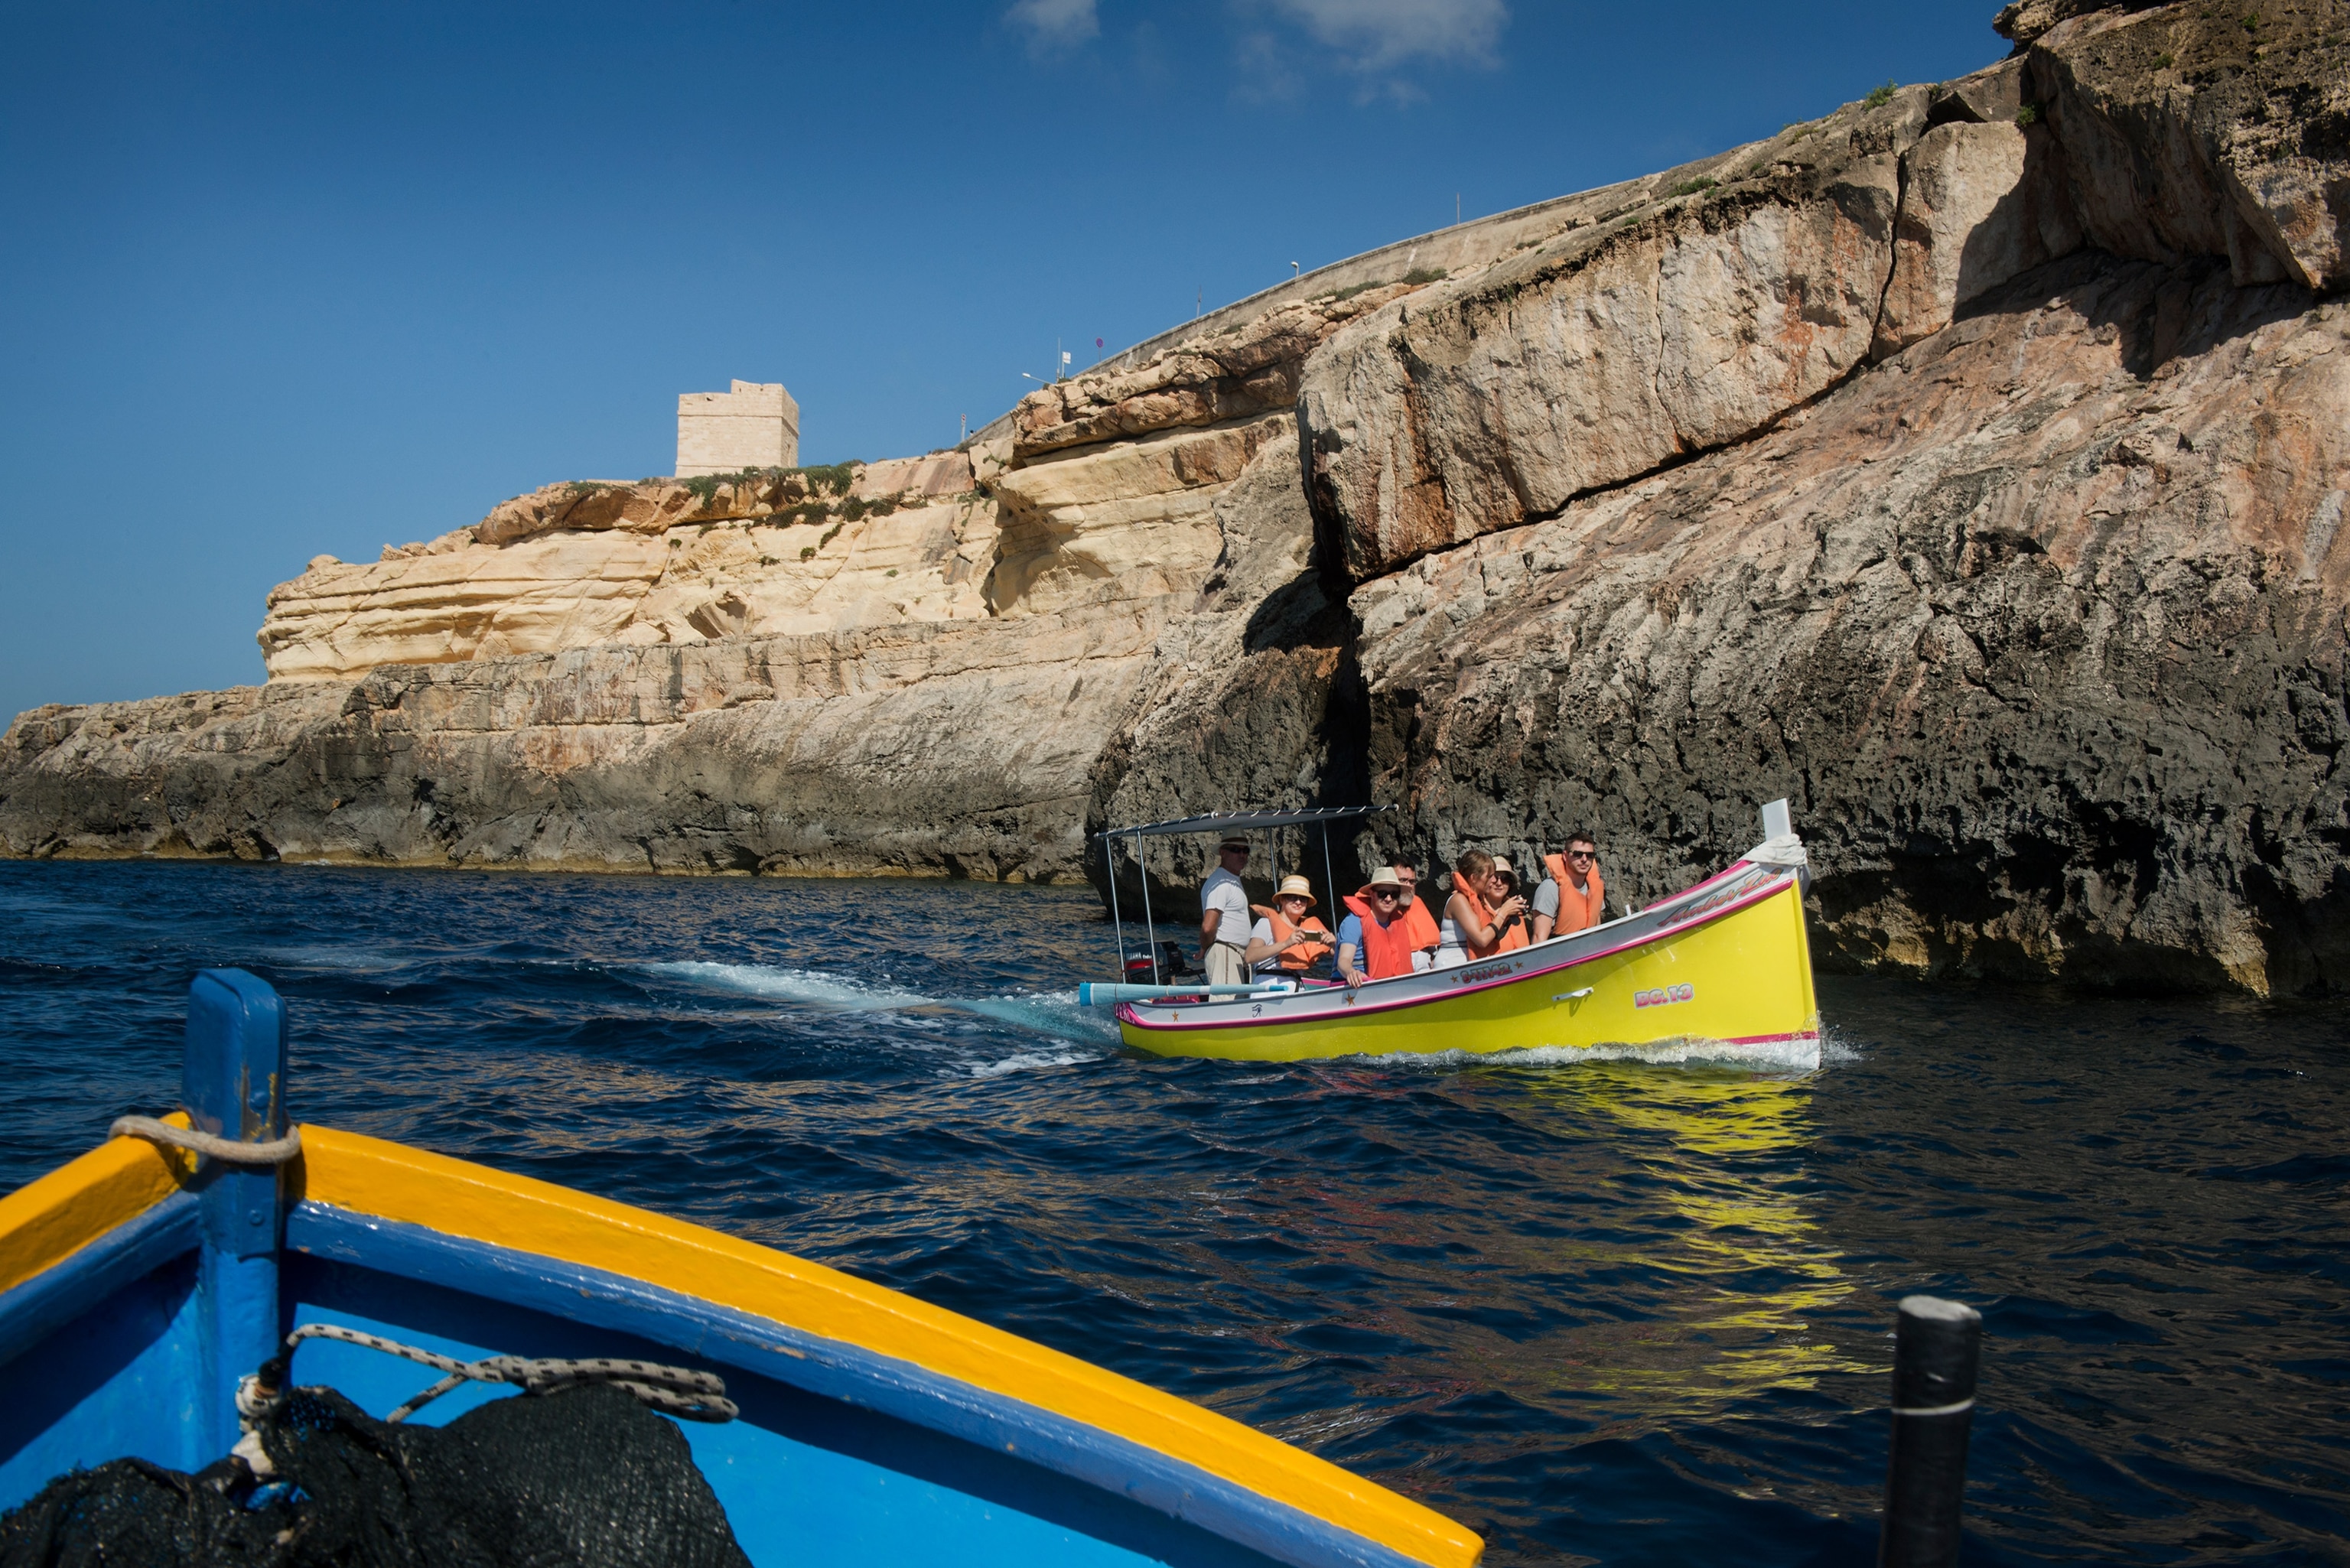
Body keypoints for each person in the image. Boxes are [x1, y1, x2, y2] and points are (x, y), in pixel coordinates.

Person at [1434, 849, 1531, 968]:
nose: (1495, 881)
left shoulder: (1477, 903)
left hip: (1468, 968)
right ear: (1474, 878)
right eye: (1490, 876)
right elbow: (1482, 939)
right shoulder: (1458, 900)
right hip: (1452, 965)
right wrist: (1504, 912)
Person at [1334, 870, 1421, 983]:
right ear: (1372, 894)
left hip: (1392, 987)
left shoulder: (1398, 921)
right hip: (1355, 988)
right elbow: (1343, 961)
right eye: (1382, 894)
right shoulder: (1354, 922)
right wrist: (1351, 972)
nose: (1388, 899)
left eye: (1394, 895)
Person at [1245, 875, 1333, 976]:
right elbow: (1250, 956)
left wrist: (1333, 944)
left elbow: (1336, 955)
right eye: (1292, 898)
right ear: (1282, 899)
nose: (1298, 902)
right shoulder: (1265, 923)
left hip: (1297, 988)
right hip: (1271, 986)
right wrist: (1287, 943)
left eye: (1303, 899)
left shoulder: (1308, 929)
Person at [1198, 837, 1253, 987]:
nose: (1242, 855)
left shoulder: (1232, 879)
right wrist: (1208, 946)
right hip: (1226, 954)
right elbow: (1208, 927)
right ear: (1223, 852)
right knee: (1227, 1005)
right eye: (1235, 850)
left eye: (1245, 850)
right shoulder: (1221, 883)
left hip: (1236, 955)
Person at [1534, 831, 1607, 942]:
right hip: (1561, 955)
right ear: (1565, 856)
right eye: (1577, 854)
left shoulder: (1594, 888)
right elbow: (1538, 938)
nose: (1584, 859)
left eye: (1590, 855)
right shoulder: (1550, 888)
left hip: (1589, 952)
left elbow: (1597, 930)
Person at [1391, 863, 1444, 971]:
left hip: (1426, 971)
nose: (1408, 886)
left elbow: (1435, 950)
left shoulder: (1417, 903)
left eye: (1412, 882)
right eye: (1402, 880)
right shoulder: (1378, 911)